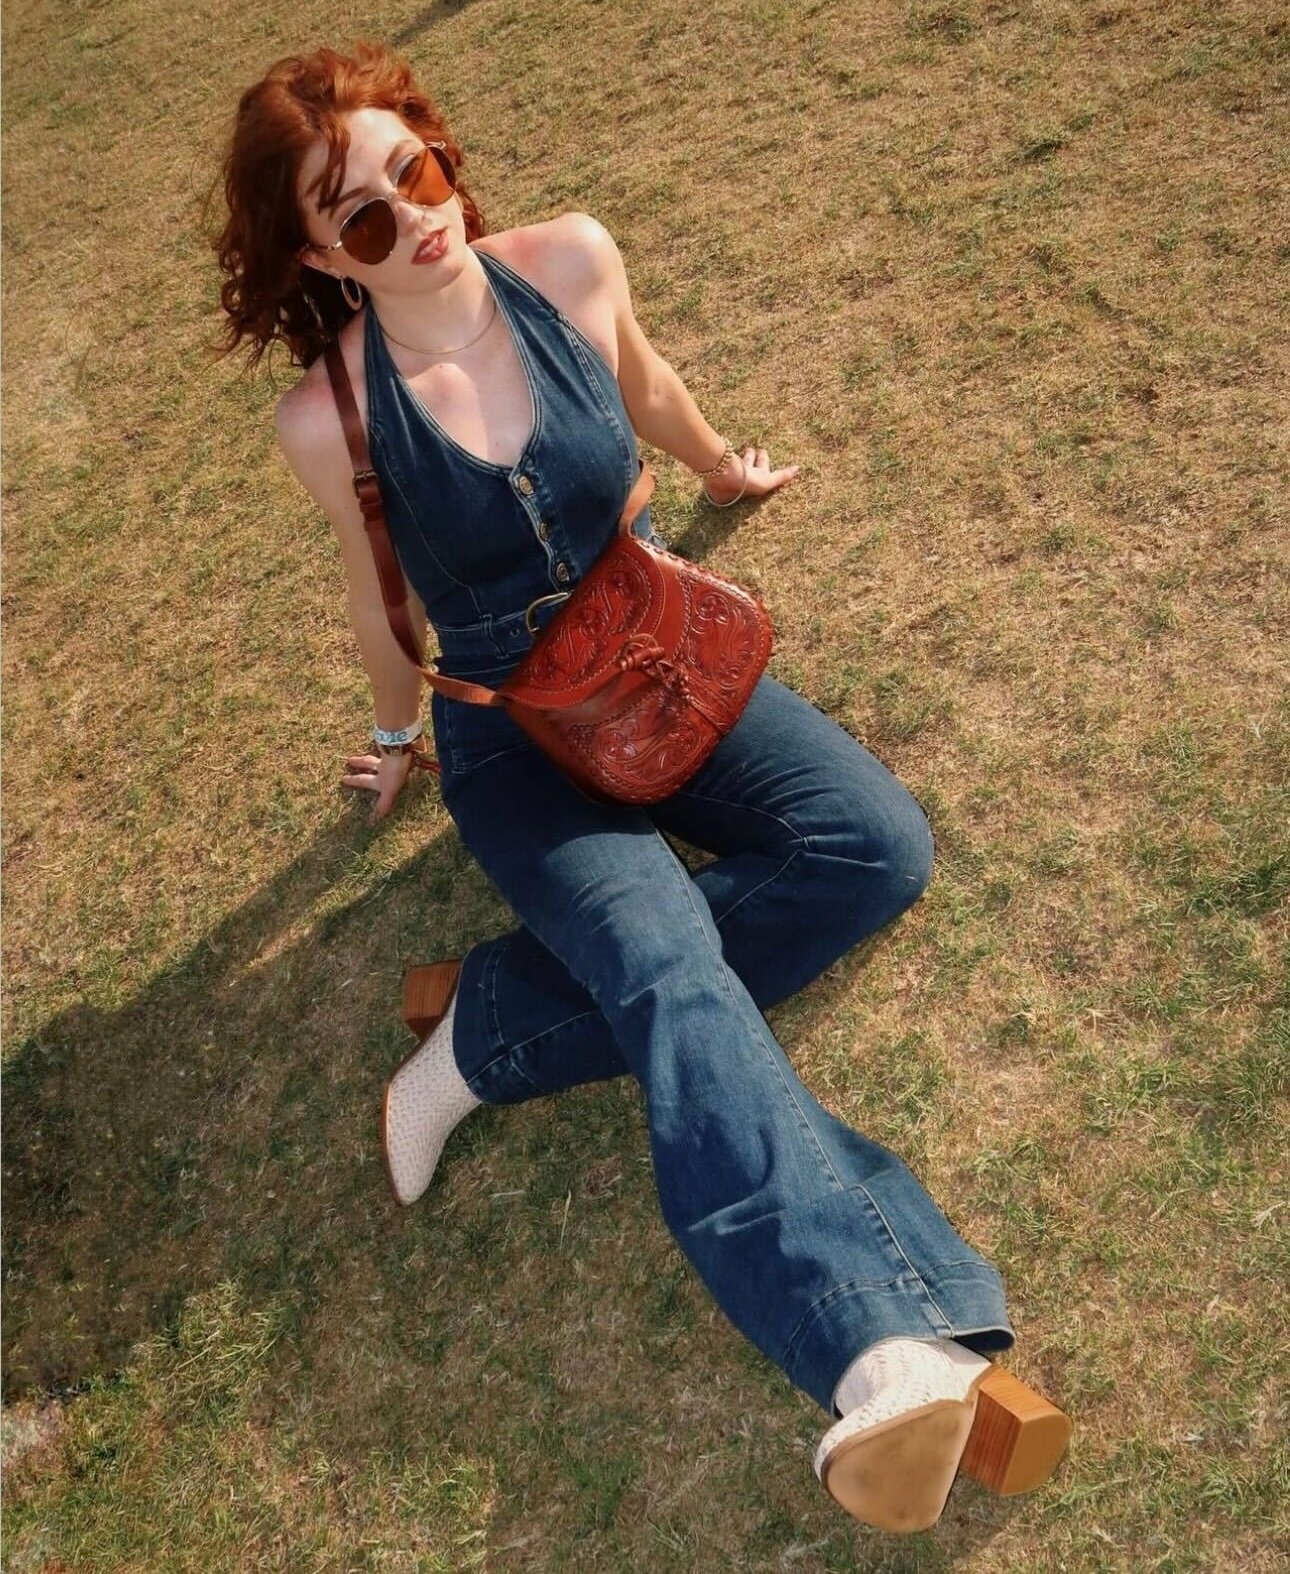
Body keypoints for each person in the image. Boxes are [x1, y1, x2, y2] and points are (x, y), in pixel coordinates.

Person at [214, 41, 1070, 1533]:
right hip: (512, 734)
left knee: (875, 850)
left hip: (659, 649)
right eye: (364, 218)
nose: (418, 219)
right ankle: (877, 1349)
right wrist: (400, 739)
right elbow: (377, 600)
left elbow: (644, 380)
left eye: (419, 170)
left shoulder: (566, 263)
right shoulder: (329, 418)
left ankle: (492, 1026)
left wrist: (719, 464)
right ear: (323, 257)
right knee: (668, 958)